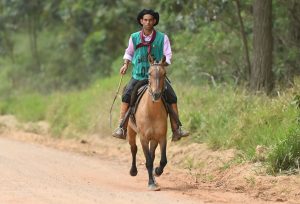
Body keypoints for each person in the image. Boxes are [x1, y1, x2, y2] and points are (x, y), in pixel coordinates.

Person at [112, 9, 189, 141]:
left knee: (172, 97)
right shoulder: (134, 37)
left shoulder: (162, 38)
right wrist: (125, 64)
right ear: (141, 21)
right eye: (145, 20)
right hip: (138, 75)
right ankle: (122, 127)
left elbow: (168, 54)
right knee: (126, 95)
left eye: (150, 20)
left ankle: (177, 129)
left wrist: (164, 64)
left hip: (156, 77)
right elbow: (129, 52)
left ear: (154, 21)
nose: (148, 22)